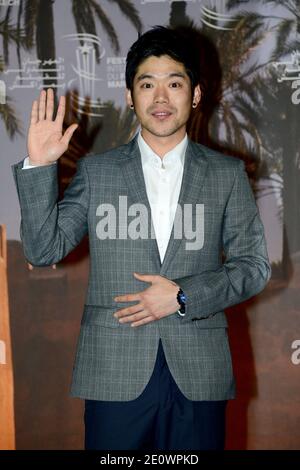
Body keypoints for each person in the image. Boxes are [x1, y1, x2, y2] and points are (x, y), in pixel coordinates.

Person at [12, 26, 271, 450]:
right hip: (115, 373)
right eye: (147, 84)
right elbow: (43, 251)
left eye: (175, 83)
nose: (161, 97)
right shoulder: (98, 173)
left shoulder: (226, 174)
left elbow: (254, 267)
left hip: (198, 373)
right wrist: (39, 167)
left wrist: (183, 296)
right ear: (131, 96)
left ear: (196, 94)